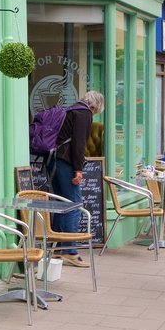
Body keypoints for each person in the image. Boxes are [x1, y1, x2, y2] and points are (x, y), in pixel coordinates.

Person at [51, 90, 105, 267]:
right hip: (66, 163)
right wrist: (79, 170)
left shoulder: (72, 110)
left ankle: (58, 250)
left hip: (55, 161)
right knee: (74, 205)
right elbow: (79, 144)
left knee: (62, 206)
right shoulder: (84, 114)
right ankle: (70, 251)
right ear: (96, 106)